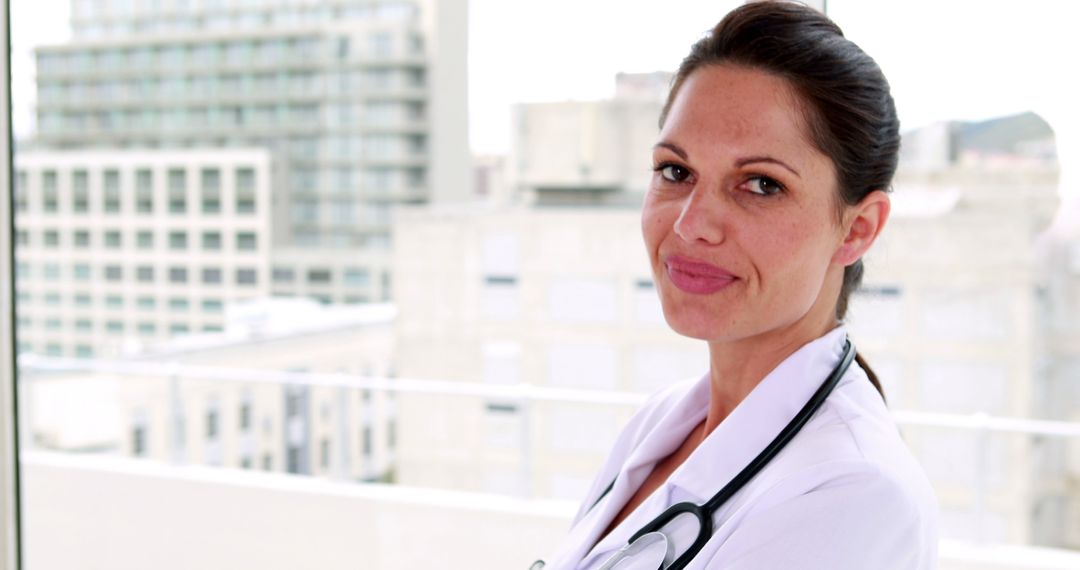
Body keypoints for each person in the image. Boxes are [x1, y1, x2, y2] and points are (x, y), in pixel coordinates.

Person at [534, 2, 939, 569]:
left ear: (858, 228)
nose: (691, 225)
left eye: (760, 184)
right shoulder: (663, 422)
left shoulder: (857, 496)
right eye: (676, 171)